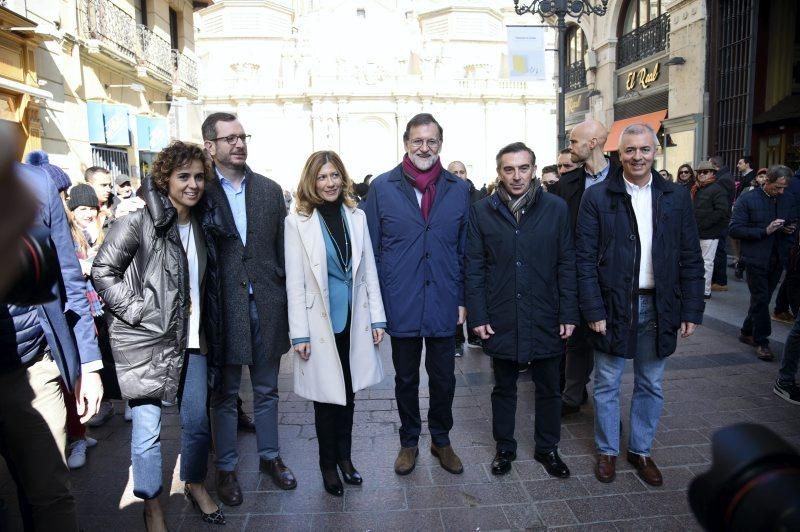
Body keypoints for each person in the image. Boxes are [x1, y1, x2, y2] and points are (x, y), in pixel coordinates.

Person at [92, 141, 224, 530]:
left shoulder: (204, 223)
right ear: (165, 179)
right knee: (148, 431)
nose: (193, 184)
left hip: (194, 340)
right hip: (147, 343)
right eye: (184, 176)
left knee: (198, 423)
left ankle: (195, 483)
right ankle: (151, 503)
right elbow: (103, 271)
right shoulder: (137, 221)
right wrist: (138, 312)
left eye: (199, 177)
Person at [576, 123, 704, 486]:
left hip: (659, 306)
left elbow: (690, 256)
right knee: (607, 382)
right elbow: (583, 259)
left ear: (655, 152)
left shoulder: (676, 197)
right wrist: (593, 310)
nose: (637, 157)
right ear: (619, 153)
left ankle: (641, 450)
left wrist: (692, 309)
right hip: (613, 306)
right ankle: (607, 451)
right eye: (630, 150)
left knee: (651, 383)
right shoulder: (598, 197)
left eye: (644, 150)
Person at [365, 112, 470, 476]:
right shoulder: (381, 188)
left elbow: (465, 249)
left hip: (443, 298)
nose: (425, 147)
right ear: (406, 143)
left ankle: (441, 439)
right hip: (401, 301)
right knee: (405, 378)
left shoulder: (460, 189)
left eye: (432, 141)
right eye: (417, 141)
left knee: (444, 377)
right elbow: (372, 251)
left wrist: (462, 299)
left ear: (440, 144)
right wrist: (376, 306)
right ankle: (409, 441)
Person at [1, 163, 103, 532]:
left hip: (32, 365)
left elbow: (71, 282)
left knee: (49, 495)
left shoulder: (36, 185)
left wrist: (89, 366)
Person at [465, 142, 577, 478]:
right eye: (509, 169)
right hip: (502, 314)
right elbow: (474, 266)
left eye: (523, 168)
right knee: (504, 387)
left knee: (548, 388)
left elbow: (566, 262)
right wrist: (478, 315)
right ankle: (505, 448)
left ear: (534, 170)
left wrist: (569, 312)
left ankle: (547, 448)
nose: (517, 176)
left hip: (546, 312)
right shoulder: (482, 211)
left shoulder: (556, 209)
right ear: (499, 172)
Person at [201, 112, 295, 503]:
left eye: (242, 137)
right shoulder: (200, 191)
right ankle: (226, 469)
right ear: (211, 146)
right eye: (229, 139)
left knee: (267, 389)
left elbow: (283, 252)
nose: (239, 144)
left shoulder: (270, 191)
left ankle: (270, 458)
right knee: (224, 393)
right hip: (223, 310)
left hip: (268, 305)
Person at [285, 150, 387, 496]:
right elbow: (295, 282)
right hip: (319, 324)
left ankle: (346, 459)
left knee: (350, 394)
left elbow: (368, 269)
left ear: (343, 179)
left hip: (355, 320)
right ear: (311, 181)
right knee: (326, 400)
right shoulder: (297, 221)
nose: (329, 183)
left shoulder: (355, 216)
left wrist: (377, 317)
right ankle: (328, 465)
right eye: (322, 177)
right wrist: (298, 332)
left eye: (334, 176)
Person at [550, 119, 618, 417]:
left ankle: (607, 403)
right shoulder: (566, 185)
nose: (571, 145)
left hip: (616, 275)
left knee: (608, 342)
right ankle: (572, 394)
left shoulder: (624, 178)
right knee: (576, 339)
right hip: (577, 274)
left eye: (575, 141)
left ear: (593, 143)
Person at [729, 165, 799, 362]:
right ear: (766, 181)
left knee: (764, 297)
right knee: (760, 298)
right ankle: (762, 341)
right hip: (755, 257)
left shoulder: (787, 198)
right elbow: (735, 229)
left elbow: (794, 220)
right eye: (777, 187)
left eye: (784, 188)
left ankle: (746, 330)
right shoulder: (748, 199)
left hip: (778, 256)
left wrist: (789, 228)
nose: (781, 191)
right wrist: (765, 230)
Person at [447, 159, 484, 354]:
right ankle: (457, 340)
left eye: (462, 172)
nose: (459, 175)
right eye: (454, 172)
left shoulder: (478, 195)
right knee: (455, 297)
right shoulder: (442, 196)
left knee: (474, 293)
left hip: (474, 252)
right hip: (454, 254)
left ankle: (476, 335)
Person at [692, 161, 731, 299]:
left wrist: (704, 224)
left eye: (705, 172)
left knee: (707, 262)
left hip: (709, 233)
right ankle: (697, 289)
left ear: (712, 173)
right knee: (696, 262)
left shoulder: (717, 189)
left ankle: (705, 291)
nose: (701, 174)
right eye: (699, 172)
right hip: (696, 232)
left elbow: (722, 211)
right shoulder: (697, 189)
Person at [708, 155, 735, 291]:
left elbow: (721, 204)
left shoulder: (723, 180)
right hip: (721, 220)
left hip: (720, 222)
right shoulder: (724, 177)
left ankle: (720, 280)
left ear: (714, 164)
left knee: (719, 250)